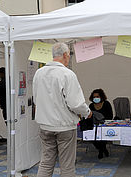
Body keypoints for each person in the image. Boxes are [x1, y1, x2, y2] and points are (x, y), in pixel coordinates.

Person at [33, 42, 92, 177]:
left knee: (46, 162)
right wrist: (88, 112)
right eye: (69, 55)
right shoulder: (67, 74)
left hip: (45, 125)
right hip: (64, 126)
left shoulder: (39, 73)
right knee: (67, 166)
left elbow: (36, 99)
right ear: (65, 55)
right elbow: (75, 104)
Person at [89, 88, 113, 159]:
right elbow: (89, 115)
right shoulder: (91, 105)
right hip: (94, 125)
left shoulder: (106, 103)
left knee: (103, 134)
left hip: (105, 124)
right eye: (94, 97)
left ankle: (101, 151)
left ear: (101, 97)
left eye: (97, 97)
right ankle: (103, 149)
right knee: (91, 136)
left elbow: (110, 115)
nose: (95, 98)